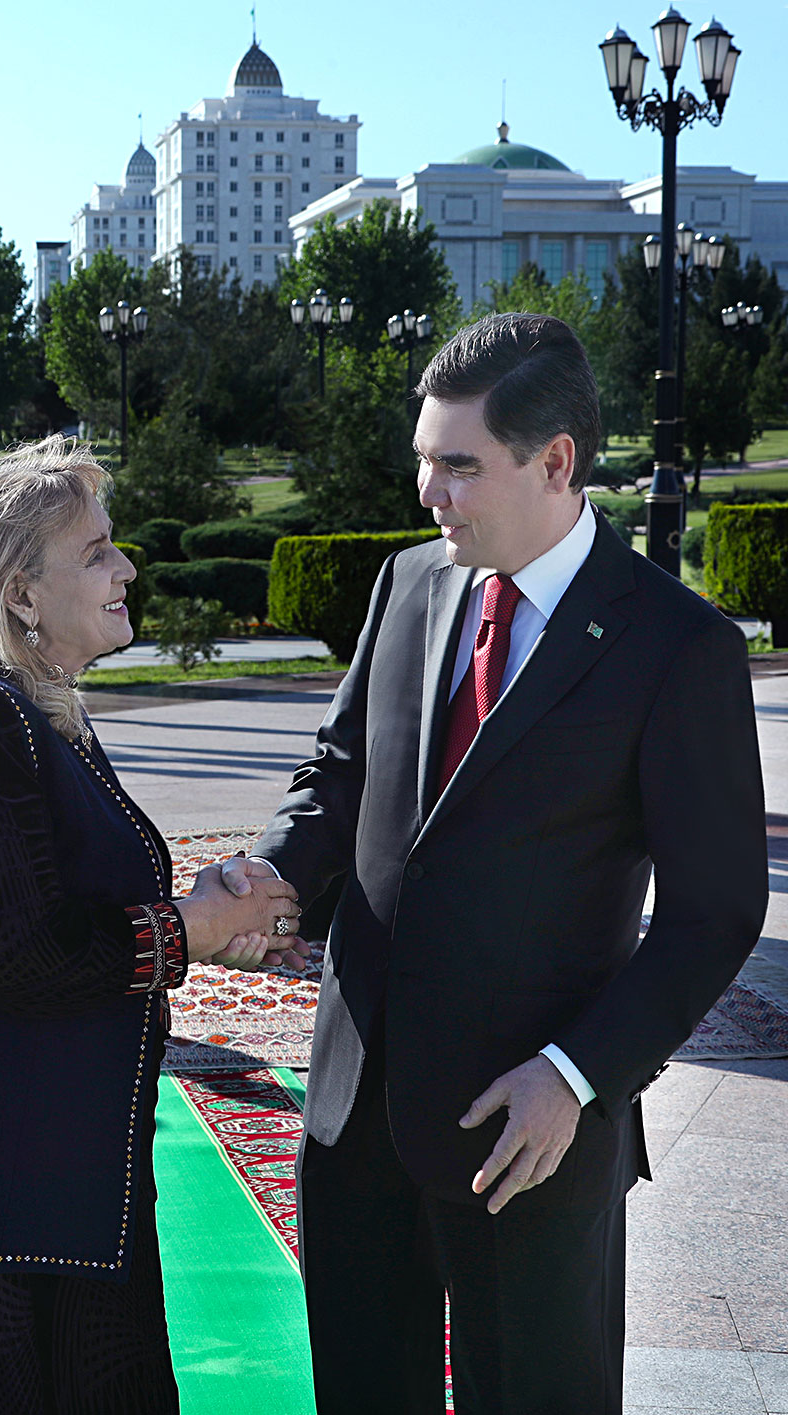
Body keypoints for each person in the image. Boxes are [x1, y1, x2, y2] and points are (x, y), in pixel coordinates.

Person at [222, 312, 768, 1414]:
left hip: (528, 1135)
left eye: (458, 466)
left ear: (556, 460)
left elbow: (714, 911)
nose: (429, 492)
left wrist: (574, 1074)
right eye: (424, 460)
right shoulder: (408, 584)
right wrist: (276, 875)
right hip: (356, 1108)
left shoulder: (677, 645)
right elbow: (339, 773)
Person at [0, 435, 305, 1415]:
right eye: (96, 550)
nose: (127, 566)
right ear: (21, 592)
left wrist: (206, 915)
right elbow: (13, 952)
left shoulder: (29, 703)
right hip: (16, 1194)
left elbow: (62, 908)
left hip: (52, 1175)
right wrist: (190, 926)